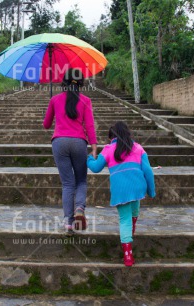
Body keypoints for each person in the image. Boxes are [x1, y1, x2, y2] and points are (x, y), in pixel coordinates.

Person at [87, 121, 155, 266]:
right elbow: (148, 171)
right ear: (128, 133)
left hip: (120, 190)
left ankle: (128, 255)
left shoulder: (108, 149)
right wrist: (151, 190)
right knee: (134, 210)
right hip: (138, 187)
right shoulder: (138, 147)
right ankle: (132, 229)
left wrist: (89, 159)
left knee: (124, 220)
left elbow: (95, 168)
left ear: (111, 137)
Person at [43, 68, 98, 236]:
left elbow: (46, 124)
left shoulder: (55, 99)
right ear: (80, 83)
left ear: (64, 82)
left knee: (68, 184)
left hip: (59, 142)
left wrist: (52, 104)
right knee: (81, 180)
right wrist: (94, 147)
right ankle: (80, 208)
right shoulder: (86, 101)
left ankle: (68, 223)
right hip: (79, 142)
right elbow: (89, 125)